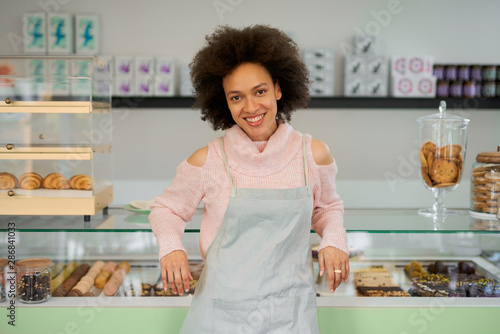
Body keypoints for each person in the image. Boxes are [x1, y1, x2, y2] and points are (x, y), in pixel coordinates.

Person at [149, 24, 349, 333]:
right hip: (222, 314)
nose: (251, 107)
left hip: (291, 313)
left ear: (279, 89)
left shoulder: (313, 154)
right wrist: (171, 247)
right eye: (236, 97)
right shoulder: (208, 160)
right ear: (224, 102)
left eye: (260, 91)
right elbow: (167, 210)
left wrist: (334, 241)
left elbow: (326, 209)